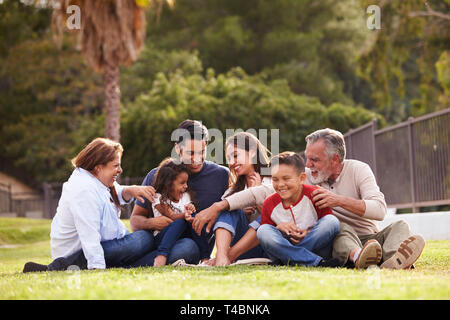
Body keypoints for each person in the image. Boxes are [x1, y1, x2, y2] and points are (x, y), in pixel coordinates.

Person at [194, 128, 425, 270]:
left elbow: (379, 210)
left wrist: (337, 200)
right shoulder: (308, 178)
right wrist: (220, 205)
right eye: (307, 159)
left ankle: (391, 261)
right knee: (338, 226)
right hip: (337, 239)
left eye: (315, 159)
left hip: (368, 235)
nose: (309, 164)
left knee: (401, 225)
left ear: (335, 160)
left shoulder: (358, 169)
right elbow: (267, 194)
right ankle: (360, 258)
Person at [23, 138, 157, 272]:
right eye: (116, 166)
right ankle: (62, 265)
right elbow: (89, 234)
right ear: (98, 167)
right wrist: (96, 266)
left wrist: (132, 190)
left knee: (147, 247)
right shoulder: (84, 190)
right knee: (143, 239)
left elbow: (114, 192)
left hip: (101, 246)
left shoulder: (96, 180)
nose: (120, 170)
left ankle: (122, 264)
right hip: (79, 252)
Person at [129, 120, 229, 266]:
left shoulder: (222, 175)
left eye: (202, 152)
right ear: (177, 148)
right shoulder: (157, 175)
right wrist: (152, 223)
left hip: (191, 246)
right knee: (138, 241)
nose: (197, 159)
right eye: (191, 153)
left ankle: (131, 263)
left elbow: (235, 214)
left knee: (188, 247)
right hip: (158, 239)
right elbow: (135, 221)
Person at [256, 152, 341, 267]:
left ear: (302, 178)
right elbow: (269, 239)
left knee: (331, 221)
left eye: (286, 179)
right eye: (275, 179)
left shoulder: (315, 194)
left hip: (314, 248)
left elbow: (325, 226)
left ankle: (290, 260)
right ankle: (317, 262)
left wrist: (308, 233)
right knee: (263, 230)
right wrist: (278, 228)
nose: (280, 184)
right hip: (286, 246)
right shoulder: (269, 203)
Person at [204, 132, 272, 266]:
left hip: (268, 246)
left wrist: (256, 195)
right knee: (228, 206)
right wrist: (241, 211)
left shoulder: (273, 180)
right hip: (243, 251)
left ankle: (227, 256)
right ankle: (222, 257)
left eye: (235, 155)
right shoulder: (232, 191)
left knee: (265, 216)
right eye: (228, 158)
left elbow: (276, 217)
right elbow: (221, 217)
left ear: (252, 152)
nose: (231, 162)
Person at [149, 158, 210, 267]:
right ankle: (161, 255)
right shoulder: (158, 198)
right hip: (163, 237)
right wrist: (184, 215)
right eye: (182, 183)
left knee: (195, 218)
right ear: (168, 184)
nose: (186, 186)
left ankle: (205, 258)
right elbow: (172, 216)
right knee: (180, 222)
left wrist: (191, 209)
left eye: (186, 182)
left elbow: (188, 214)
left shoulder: (185, 196)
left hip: (183, 238)